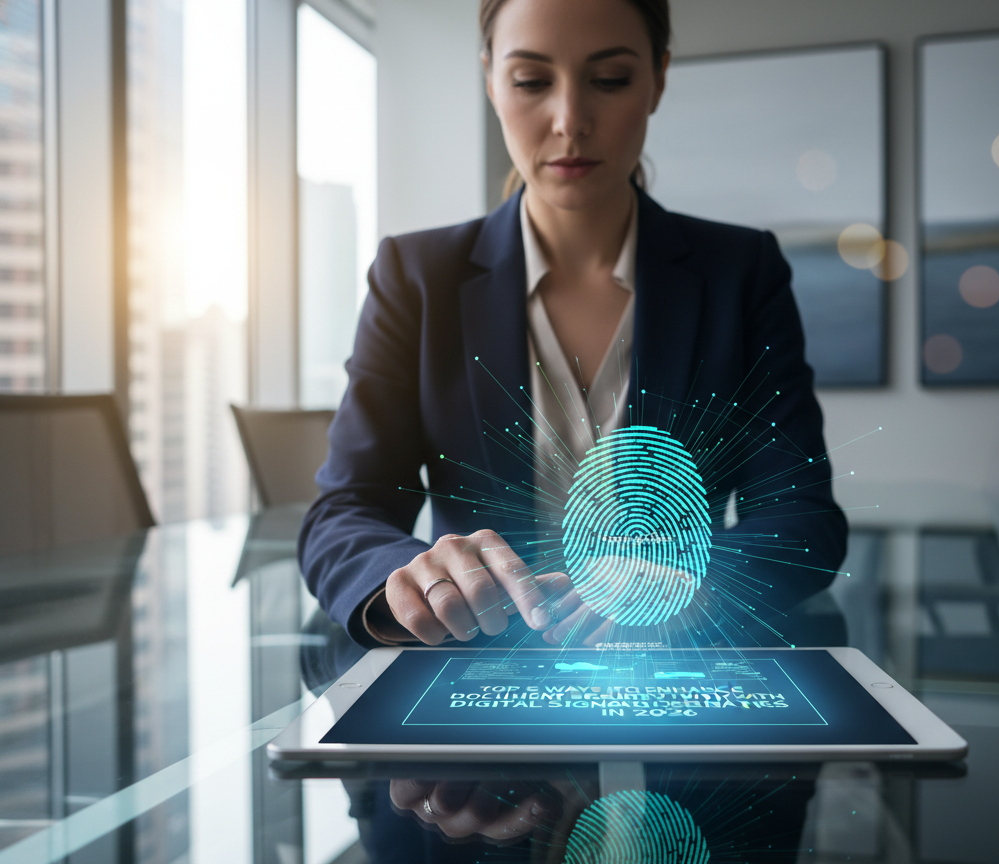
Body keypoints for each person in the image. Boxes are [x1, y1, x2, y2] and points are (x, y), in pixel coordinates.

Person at [298, 0, 848, 650]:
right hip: (478, 676)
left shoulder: (741, 273)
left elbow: (802, 517)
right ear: (490, 79)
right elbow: (344, 512)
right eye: (531, 81)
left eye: (610, 80)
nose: (569, 122)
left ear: (659, 79)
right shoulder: (416, 276)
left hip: (681, 678)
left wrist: (702, 585)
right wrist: (409, 580)